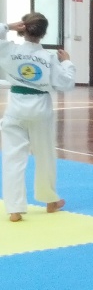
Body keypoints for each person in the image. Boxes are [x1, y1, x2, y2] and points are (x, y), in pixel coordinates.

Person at [0, 14, 76, 222]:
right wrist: (67, 62)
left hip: (16, 106)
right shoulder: (49, 58)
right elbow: (66, 84)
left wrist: (7, 26)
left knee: (12, 158)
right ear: (44, 33)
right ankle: (50, 200)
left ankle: (14, 209)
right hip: (41, 107)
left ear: (22, 29)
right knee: (45, 155)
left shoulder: (10, 50)